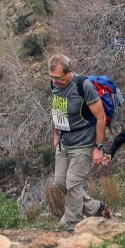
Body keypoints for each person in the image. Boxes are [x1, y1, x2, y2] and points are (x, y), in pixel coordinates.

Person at [49, 54, 109, 229]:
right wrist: (56, 133)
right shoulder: (55, 84)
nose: (55, 81)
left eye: (58, 78)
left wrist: (98, 147)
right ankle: (95, 207)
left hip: (83, 142)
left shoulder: (84, 86)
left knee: (73, 181)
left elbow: (101, 116)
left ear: (69, 73)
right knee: (60, 181)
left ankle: (72, 223)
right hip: (64, 141)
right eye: (51, 77)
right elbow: (57, 108)